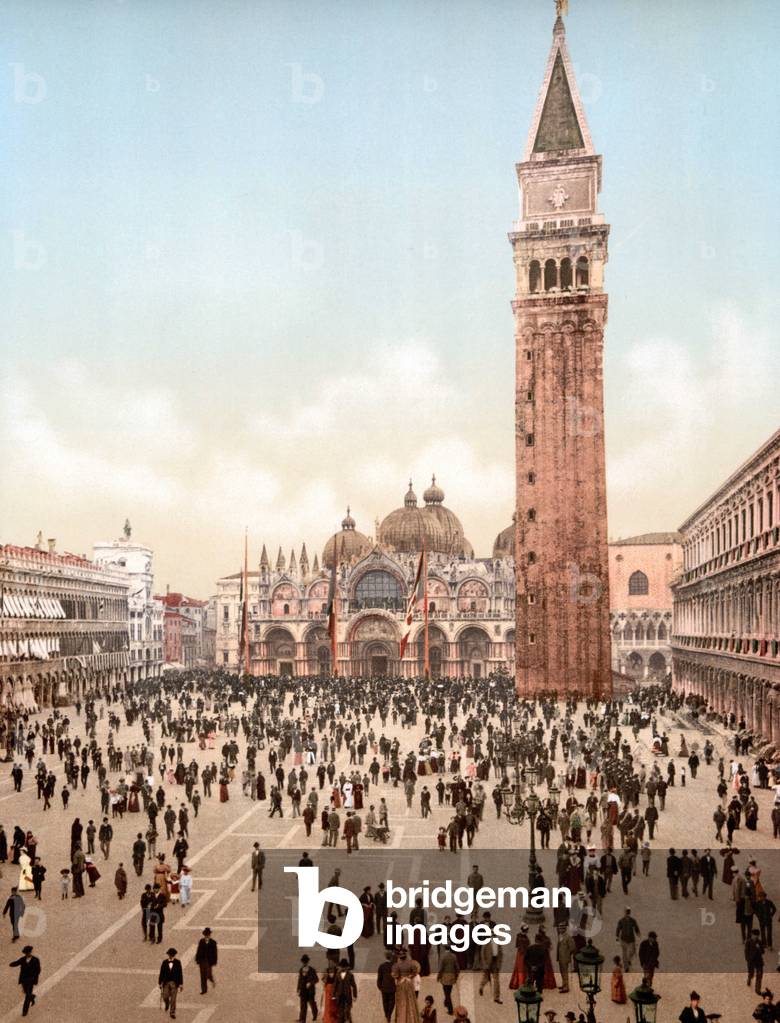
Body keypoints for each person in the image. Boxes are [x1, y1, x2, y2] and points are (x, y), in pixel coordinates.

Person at [9, 944, 41, 1017]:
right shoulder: (23, 959)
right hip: (24, 980)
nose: (29, 953)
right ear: (26, 953)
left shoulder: (36, 960)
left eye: (30, 952)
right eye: (28, 952)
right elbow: (17, 963)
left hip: (31, 980)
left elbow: (38, 970)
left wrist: (34, 978)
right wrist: (11, 964)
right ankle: (32, 997)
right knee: (27, 993)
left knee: (27, 996)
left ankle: (24, 1011)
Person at [158, 947, 183, 1020]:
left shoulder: (178, 962)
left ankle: (172, 1012)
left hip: (174, 983)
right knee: (165, 996)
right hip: (166, 982)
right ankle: (167, 1003)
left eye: (172, 955)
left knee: (173, 999)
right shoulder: (164, 962)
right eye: (170, 954)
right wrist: (160, 982)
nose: (171, 956)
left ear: (174, 955)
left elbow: (180, 973)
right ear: (168, 955)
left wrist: (181, 984)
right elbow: (161, 973)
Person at [436, 943, 459, 1015]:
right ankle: (446, 1002)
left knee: (447, 994)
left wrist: (438, 977)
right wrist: (456, 976)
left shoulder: (443, 957)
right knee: (449, 991)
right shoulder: (454, 956)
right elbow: (457, 968)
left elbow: (441, 968)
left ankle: (450, 1009)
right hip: (452, 976)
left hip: (445, 976)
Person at [195, 927, 218, 994]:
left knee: (208, 974)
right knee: (202, 976)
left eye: (208, 935)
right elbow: (198, 950)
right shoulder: (201, 941)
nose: (206, 936)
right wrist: (197, 959)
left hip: (209, 961)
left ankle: (212, 980)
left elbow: (215, 952)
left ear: (209, 935)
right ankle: (204, 990)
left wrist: (214, 961)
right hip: (202, 960)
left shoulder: (213, 942)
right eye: (205, 935)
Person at [297, 954, 319, 1022]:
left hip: (310, 991)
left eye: (305, 961)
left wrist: (310, 983)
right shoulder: (301, 970)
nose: (304, 963)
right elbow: (299, 980)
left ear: (307, 962)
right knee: (303, 1006)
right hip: (303, 991)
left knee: (312, 1004)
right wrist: (298, 989)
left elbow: (316, 979)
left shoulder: (312, 970)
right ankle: (302, 1020)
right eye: (303, 961)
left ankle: (315, 1014)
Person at [376, 949, 397, 1021]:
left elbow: (379, 977)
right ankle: (389, 1014)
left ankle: (386, 1014)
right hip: (392, 986)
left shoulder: (381, 966)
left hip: (384, 987)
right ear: (391, 957)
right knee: (392, 1001)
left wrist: (379, 986)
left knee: (385, 1001)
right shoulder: (394, 965)